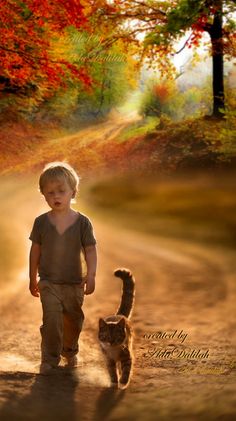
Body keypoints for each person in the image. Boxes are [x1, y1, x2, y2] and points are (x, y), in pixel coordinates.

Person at [29, 162, 97, 375]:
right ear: (43, 194)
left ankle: (70, 350)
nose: (56, 196)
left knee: (73, 322)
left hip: (74, 283)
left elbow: (90, 250)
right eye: (50, 193)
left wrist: (92, 275)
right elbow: (35, 252)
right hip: (49, 282)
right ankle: (49, 359)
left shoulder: (83, 223)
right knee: (52, 319)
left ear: (73, 192)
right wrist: (32, 278)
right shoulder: (40, 223)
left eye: (61, 191)